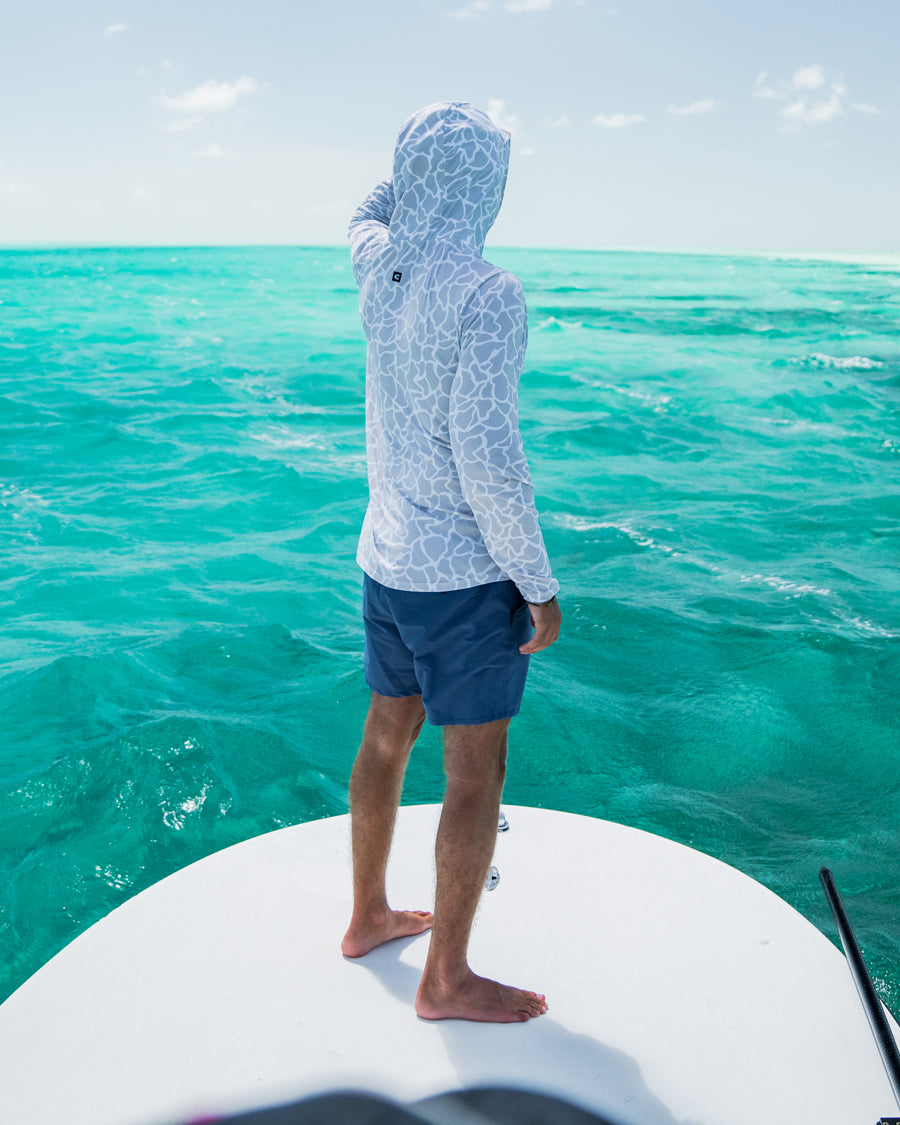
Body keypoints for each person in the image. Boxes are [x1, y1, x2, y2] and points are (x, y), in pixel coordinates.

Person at [340, 101, 561, 1024]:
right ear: (489, 185)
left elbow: (365, 208)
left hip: (385, 559)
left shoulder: (375, 264)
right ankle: (447, 976)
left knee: (387, 733)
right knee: (473, 773)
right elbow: (489, 456)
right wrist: (539, 584)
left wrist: (405, 172)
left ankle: (367, 916)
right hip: (462, 580)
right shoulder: (487, 291)